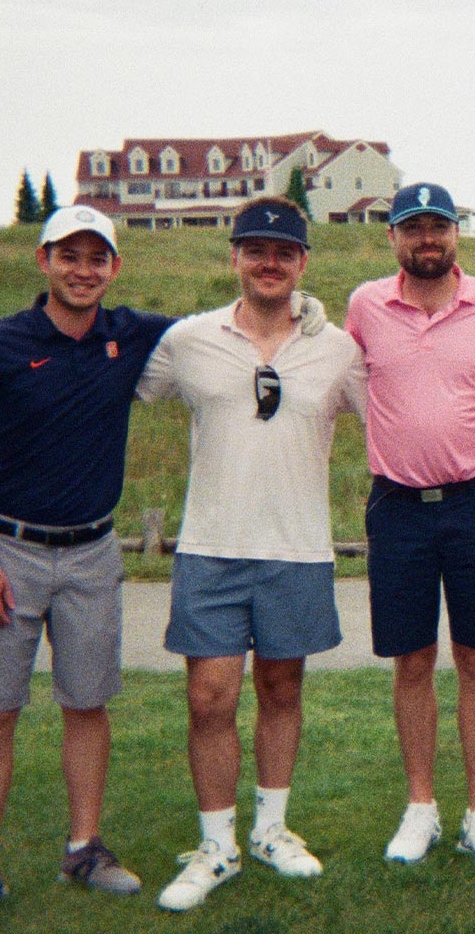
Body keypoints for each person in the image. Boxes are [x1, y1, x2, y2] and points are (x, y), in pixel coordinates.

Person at [137, 196, 366, 912]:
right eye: (256, 249)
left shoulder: (338, 348)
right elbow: (114, 389)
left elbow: (398, 407)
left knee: (281, 691)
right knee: (209, 699)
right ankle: (217, 844)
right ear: (234, 257)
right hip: (211, 549)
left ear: (303, 263)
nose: (270, 263)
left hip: (296, 550)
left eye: (285, 252)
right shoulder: (187, 340)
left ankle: (270, 829)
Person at [0, 206, 159, 926]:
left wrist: (303, 309)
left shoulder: (130, 337)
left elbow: (225, 324)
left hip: (93, 552)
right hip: (12, 552)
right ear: (44, 260)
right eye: (70, 255)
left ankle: (85, 848)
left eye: (98, 258)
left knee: (86, 703)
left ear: (115, 268)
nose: (83, 270)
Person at [345, 182, 475, 871]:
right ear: (392, 237)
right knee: (412, 661)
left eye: (438, 227)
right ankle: (421, 804)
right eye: (412, 228)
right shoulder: (365, 305)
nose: (427, 239)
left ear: (456, 236)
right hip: (397, 507)